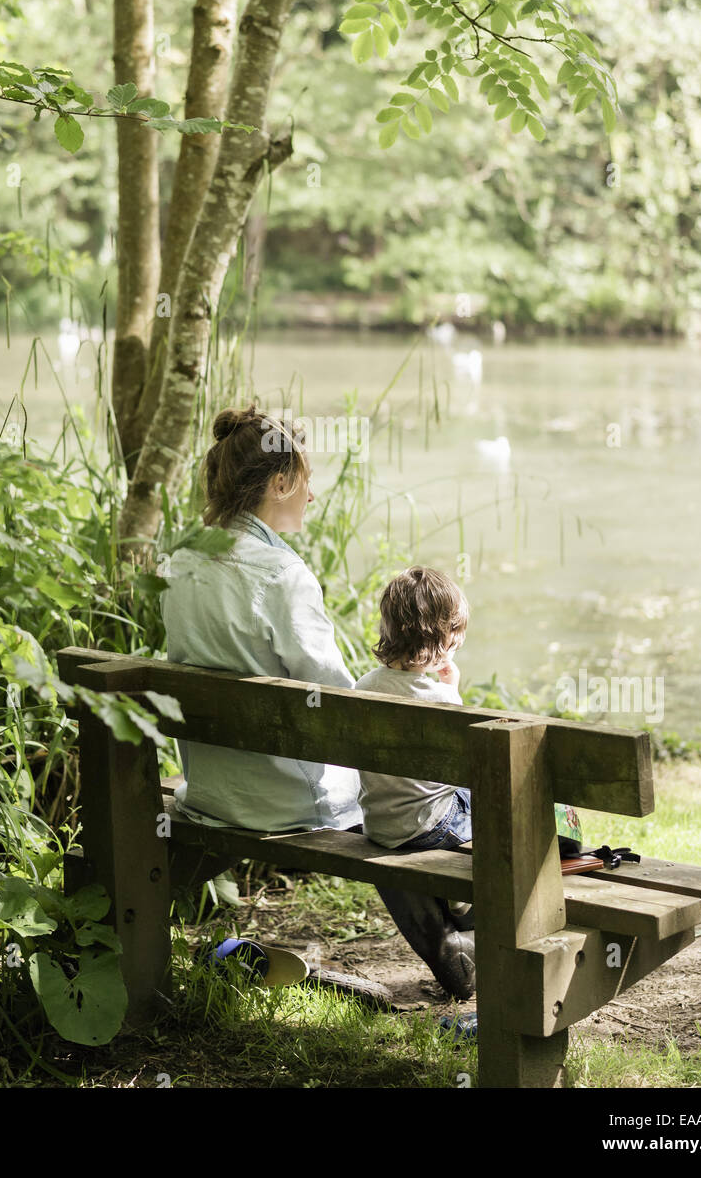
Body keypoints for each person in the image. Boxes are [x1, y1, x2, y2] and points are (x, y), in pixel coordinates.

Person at [159, 404, 361, 833]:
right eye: (307, 482)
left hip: (210, 791)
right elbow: (339, 699)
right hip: (287, 800)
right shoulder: (284, 576)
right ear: (280, 483)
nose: (312, 496)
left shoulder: (177, 562)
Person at [356, 566, 477, 999]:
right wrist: (455, 693)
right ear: (442, 639)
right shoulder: (439, 699)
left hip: (381, 825)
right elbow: (461, 768)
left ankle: (459, 902)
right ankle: (467, 903)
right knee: (489, 796)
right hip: (431, 827)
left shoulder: (362, 688)